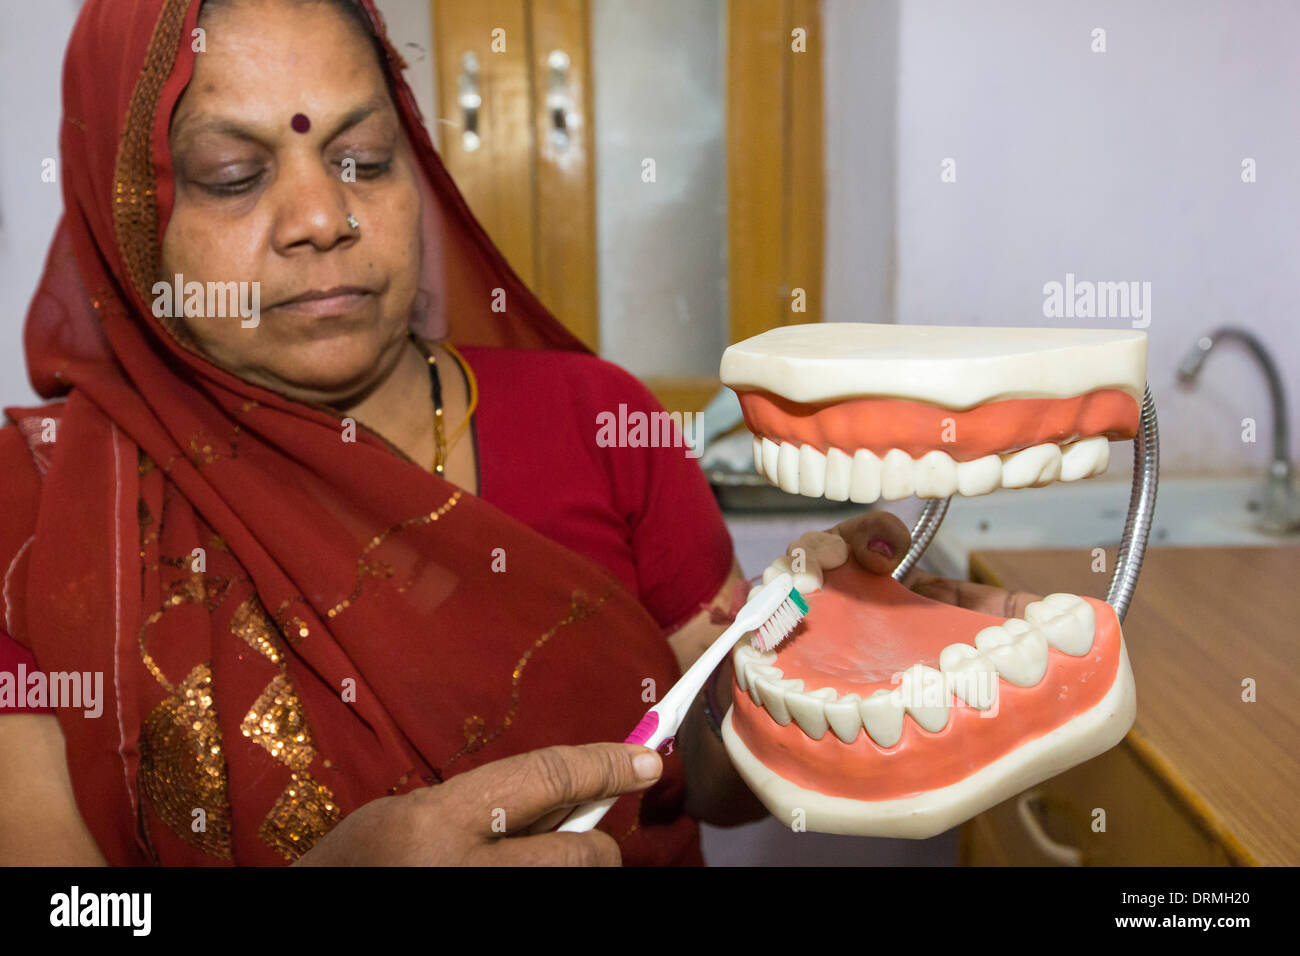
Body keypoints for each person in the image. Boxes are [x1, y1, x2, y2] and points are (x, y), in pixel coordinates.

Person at [0, 0, 1035, 866]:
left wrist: (812, 665)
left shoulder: (596, 418)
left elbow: (712, 776)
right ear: (132, 223)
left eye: (365, 158)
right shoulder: (42, 508)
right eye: (234, 174)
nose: (323, 214)